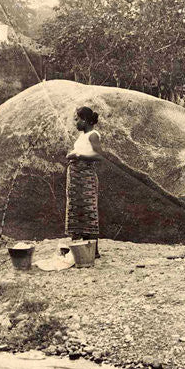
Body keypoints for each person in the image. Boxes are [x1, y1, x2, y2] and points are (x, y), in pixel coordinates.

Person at [65, 106, 103, 260]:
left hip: (86, 178)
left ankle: (93, 251)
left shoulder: (93, 135)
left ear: (86, 120)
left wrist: (78, 155)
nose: (76, 123)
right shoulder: (83, 135)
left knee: (88, 211)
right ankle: (79, 249)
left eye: (78, 119)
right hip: (76, 179)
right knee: (77, 210)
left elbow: (98, 155)